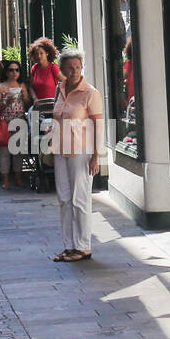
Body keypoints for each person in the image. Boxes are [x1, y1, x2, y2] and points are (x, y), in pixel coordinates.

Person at [51, 48, 104, 263]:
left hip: (81, 151)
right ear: (62, 69)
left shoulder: (90, 93)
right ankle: (69, 246)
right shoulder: (59, 88)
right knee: (64, 198)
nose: (74, 71)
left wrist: (96, 156)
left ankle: (83, 247)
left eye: (77, 67)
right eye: (70, 67)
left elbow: (98, 126)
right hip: (59, 149)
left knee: (79, 199)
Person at [0, 60, 30, 190]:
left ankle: (18, 178)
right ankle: (6, 180)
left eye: (17, 70)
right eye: (11, 70)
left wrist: (25, 97)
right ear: (6, 72)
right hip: (5, 122)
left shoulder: (21, 85)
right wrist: (6, 101)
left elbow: (28, 103)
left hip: (19, 121)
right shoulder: (0, 87)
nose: (14, 73)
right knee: (5, 152)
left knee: (18, 151)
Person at [28, 37, 60, 102]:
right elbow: (30, 86)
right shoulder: (34, 68)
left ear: (47, 53)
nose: (39, 56)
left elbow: (66, 83)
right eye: (36, 54)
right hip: (37, 105)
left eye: (41, 53)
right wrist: (34, 98)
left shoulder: (53, 68)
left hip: (51, 107)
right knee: (32, 112)